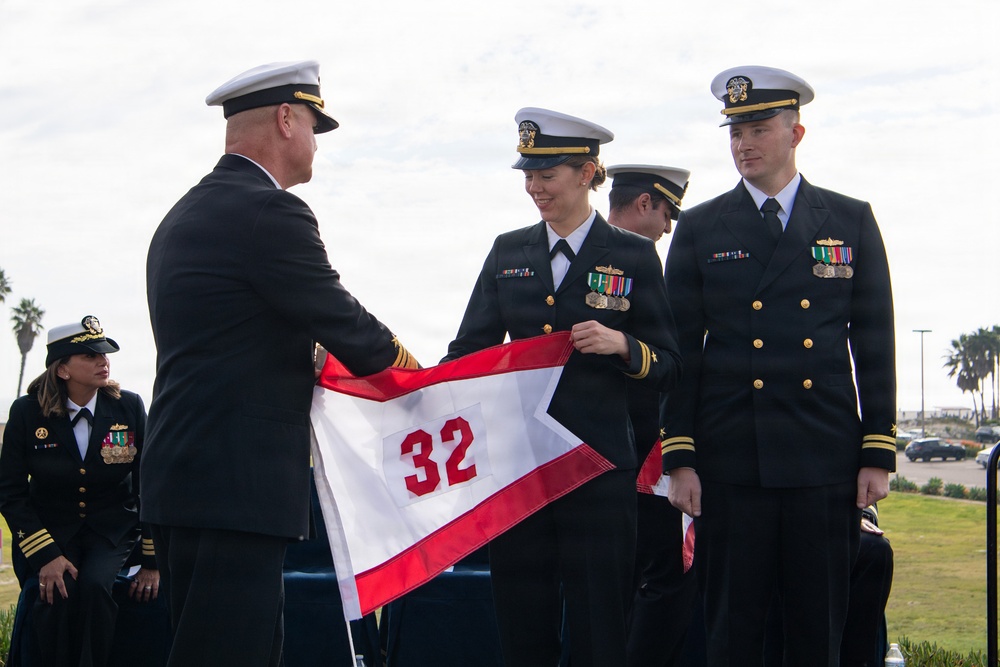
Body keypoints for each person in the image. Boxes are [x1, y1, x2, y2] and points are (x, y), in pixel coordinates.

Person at [143, 60, 419, 666]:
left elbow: (242, 338)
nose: (317, 144)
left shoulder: (185, 214)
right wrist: (425, 383)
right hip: (234, 486)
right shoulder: (270, 213)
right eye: (316, 126)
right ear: (287, 119)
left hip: (191, 478)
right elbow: (348, 326)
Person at [659, 66, 897, 666]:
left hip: (823, 456)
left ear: (796, 133)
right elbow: (680, 349)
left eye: (759, 129)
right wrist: (680, 457)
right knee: (732, 630)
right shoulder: (701, 227)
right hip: (733, 458)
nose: (744, 144)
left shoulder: (849, 221)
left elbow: (873, 342)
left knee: (817, 629)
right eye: (735, 133)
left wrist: (878, 449)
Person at [443, 108, 682, 667]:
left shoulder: (633, 255)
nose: (534, 187)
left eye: (547, 174)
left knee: (601, 631)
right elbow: (467, 352)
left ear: (586, 173)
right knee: (523, 629)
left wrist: (624, 347)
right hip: (520, 474)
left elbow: (671, 364)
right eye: (528, 174)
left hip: (599, 473)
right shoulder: (508, 252)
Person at [0, 316, 158, 667]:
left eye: (104, 354)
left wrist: (151, 561)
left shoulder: (128, 406)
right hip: (52, 530)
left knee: (97, 588)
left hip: (112, 530)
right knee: (56, 594)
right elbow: (10, 492)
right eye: (90, 355)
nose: (103, 361)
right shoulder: (27, 413)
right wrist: (45, 555)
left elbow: (149, 482)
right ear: (62, 370)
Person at [604, 164, 699, 667]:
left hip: (611, 455)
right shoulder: (642, 264)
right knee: (667, 577)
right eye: (666, 215)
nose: (667, 229)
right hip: (643, 455)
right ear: (645, 204)